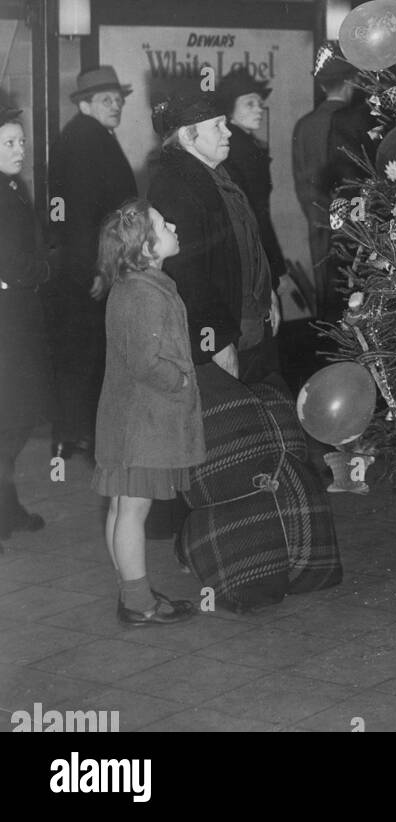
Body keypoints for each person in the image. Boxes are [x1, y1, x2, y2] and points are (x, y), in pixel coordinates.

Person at [92, 201, 204, 626]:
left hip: (127, 421)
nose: (172, 224)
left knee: (123, 508)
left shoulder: (137, 285)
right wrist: (179, 381)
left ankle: (132, 591)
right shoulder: (143, 293)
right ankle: (138, 604)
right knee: (132, 511)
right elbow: (144, 362)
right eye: (162, 223)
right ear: (145, 247)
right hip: (141, 424)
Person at [148, 92, 280, 386]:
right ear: (187, 136)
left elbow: (249, 239)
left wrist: (267, 289)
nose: (228, 131)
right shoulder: (173, 185)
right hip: (225, 332)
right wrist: (217, 342)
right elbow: (187, 273)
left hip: (251, 320)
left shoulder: (221, 173)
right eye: (217, 126)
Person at [48, 66, 137, 460]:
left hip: (86, 262)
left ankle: (73, 434)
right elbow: (82, 214)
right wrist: (98, 269)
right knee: (88, 352)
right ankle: (81, 436)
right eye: (106, 100)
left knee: (81, 351)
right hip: (91, 266)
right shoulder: (87, 139)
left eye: (118, 99)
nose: (116, 105)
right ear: (84, 104)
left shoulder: (86, 134)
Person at [0, 109, 51, 547]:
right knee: (12, 417)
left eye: (20, 141)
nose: (20, 150)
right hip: (6, 319)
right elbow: (13, 264)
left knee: (15, 415)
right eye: (9, 143)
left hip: (16, 313)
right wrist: (46, 267)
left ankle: (7, 508)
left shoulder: (13, 187)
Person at [291, 49, 372, 318]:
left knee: (326, 296)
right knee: (355, 297)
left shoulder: (303, 126)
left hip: (319, 224)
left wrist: (319, 217)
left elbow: (301, 180)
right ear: (350, 83)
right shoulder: (357, 122)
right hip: (353, 225)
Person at [214, 68, 286, 291]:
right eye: (249, 104)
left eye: (259, 103)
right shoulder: (243, 149)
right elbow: (256, 214)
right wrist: (277, 268)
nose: (260, 109)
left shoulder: (237, 143)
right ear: (230, 110)